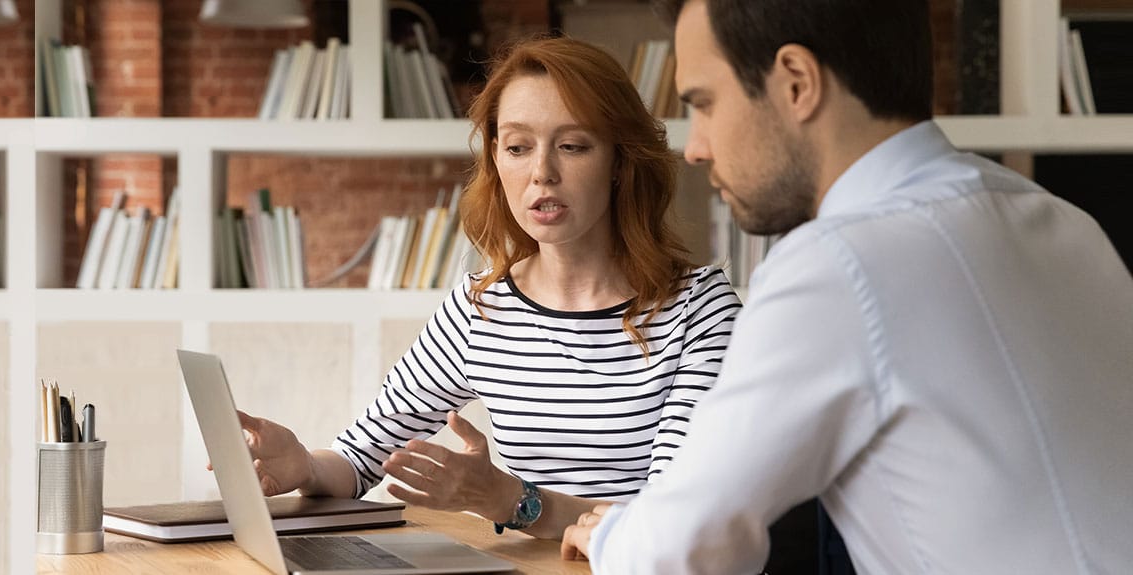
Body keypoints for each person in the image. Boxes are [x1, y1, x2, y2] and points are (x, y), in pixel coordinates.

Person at [561, 0, 1133, 572]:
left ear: (796, 83)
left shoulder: (839, 262)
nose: (695, 147)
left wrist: (613, 535)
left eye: (705, 104)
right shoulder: (1063, 222)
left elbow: (682, 550)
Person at [232, 36, 741, 541]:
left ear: (619, 162)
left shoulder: (701, 310)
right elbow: (361, 458)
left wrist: (509, 500)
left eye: (573, 146)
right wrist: (305, 466)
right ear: (497, 158)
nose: (542, 173)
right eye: (518, 147)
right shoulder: (481, 308)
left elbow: (676, 525)